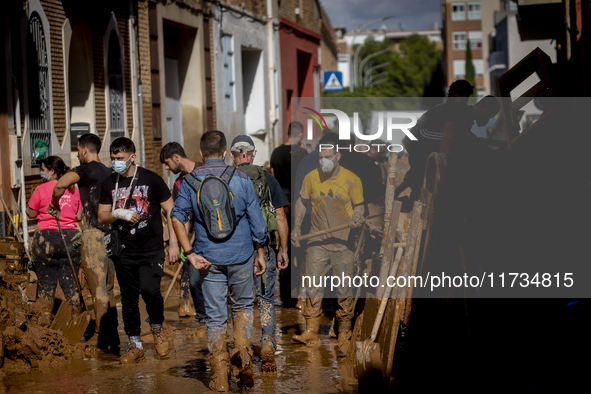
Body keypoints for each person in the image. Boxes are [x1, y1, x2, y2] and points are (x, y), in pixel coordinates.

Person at [171, 130, 267, 392]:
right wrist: (260, 253)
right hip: (242, 256)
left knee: (215, 317)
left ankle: (220, 376)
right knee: (244, 307)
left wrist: (189, 253)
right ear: (225, 153)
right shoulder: (241, 178)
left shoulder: (190, 182)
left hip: (207, 259)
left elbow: (177, 218)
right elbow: (258, 225)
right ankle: (244, 363)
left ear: (201, 154)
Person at [97, 137, 175, 364]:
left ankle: (158, 330)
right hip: (123, 249)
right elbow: (102, 216)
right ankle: (135, 343)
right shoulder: (109, 183)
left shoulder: (152, 179)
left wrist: (173, 243)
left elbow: (171, 210)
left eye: (119, 158)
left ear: (132, 157)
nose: (115, 163)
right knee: (128, 298)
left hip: (151, 248)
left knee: (150, 290)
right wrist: (119, 213)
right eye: (112, 158)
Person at [291, 143, 364, 354]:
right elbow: (301, 202)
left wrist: (357, 218)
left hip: (343, 244)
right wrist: (296, 227)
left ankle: (344, 334)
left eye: (328, 156)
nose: (324, 161)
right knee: (312, 287)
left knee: (343, 290)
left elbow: (359, 206)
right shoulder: (311, 178)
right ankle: (311, 332)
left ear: (338, 156)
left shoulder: (352, 179)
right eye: (321, 157)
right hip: (317, 243)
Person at [50, 133, 119, 350]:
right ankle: (113, 334)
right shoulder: (109, 171)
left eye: (78, 150)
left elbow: (60, 183)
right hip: (112, 234)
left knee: (98, 288)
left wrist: (55, 202)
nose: (78, 154)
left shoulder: (85, 169)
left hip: (94, 235)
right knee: (108, 289)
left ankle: (101, 336)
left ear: (84, 150)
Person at [229, 135, 289, 373]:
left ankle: (242, 348)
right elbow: (281, 216)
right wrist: (283, 248)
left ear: (233, 156)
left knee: (240, 302)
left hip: (236, 252)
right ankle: (267, 344)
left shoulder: (226, 179)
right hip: (266, 248)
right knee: (266, 300)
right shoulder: (268, 178)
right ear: (253, 154)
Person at [159, 142, 207, 336]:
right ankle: (203, 320)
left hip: (215, 234)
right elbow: (181, 216)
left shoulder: (206, 170)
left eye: (167, 163)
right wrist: (180, 243)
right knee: (194, 278)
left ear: (176, 158)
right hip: (194, 239)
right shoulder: (179, 184)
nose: (167, 168)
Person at [401, 79, 476, 200]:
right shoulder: (444, 111)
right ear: (452, 95)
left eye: (466, 95)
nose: (464, 98)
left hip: (429, 149)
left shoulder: (460, 112)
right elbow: (425, 135)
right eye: (460, 94)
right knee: (421, 185)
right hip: (417, 146)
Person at [28, 156, 83, 315]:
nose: (41, 173)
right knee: (71, 283)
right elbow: (79, 216)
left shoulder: (41, 189)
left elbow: (31, 213)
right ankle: (75, 322)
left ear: (51, 171)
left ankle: (45, 326)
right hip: (71, 239)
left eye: (43, 170)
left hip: (46, 239)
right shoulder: (74, 189)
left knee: (46, 285)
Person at [270, 121, 308, 201]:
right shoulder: (302, 152)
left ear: (288, 133)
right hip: (297, 194)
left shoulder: (276, 151)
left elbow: (273, 174)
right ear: (300, 135)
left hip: (280, 195)